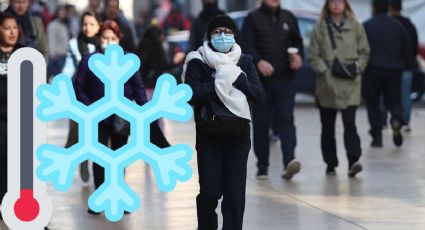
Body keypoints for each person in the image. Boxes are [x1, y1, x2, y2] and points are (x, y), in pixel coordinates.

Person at [183, 15, 265, 230]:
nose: (222, 35)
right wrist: (218, 83)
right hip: (209, 135)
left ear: (234, 35)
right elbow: (190, 94)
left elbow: (259, 95)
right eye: (217, 31)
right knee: (210, 193)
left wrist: (239, 80)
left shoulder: (244, 61)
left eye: (227, 32)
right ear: (209, 36)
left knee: (235, 194)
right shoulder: (197, 61)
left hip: (238, 136)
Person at [73, 20, 148, 215]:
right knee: (99, 157)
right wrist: (91, 109)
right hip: (97, 116)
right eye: (105, 38)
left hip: (121, 116)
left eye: (112, 38)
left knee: (119, 157)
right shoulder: (88, 59)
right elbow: (78, 87)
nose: (109, 42)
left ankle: (118, 197)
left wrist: (145, 110)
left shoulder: (128, 60)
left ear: (119, 39)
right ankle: (99, 198)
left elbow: (138, 87)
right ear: (99, 39)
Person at [241, 0, 304, 180]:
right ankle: (262, 166)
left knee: (286, 120)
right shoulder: (252, 18)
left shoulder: (289, 17)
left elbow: (298, 43)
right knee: (261, 125)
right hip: (260, 84)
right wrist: (258, 61)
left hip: (285, 80)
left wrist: (298, 58)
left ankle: (289, 161)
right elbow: (246, 46)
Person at [309, 0, 370, 177]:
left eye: (340, 1)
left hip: (351, 82)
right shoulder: (319, 27)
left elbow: (365, 52)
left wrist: (358, 68)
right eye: (332, 2)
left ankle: (353, 161)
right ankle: (330, 163)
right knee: (327, 126)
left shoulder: (356, 27)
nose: (336, 5)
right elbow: (313, 55)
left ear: (346, 5)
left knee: (350, 123)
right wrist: (325, 72)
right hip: (326, 84)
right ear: (327, 5)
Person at [363, 0, 413, 148]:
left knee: (373, 104)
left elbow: (361, 49)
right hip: (393, 71)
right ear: (388, 8)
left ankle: (377, 135)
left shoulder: (367, 26)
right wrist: (406, 66)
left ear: (373, 8)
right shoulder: (398, 26)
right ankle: (397, 120)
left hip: (373, 70)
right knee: (394, 101)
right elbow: (407, 50)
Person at [62, 10, 101, 183]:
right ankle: (81, 161)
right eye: (85, 24)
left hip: (100, 97)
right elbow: (68, 67)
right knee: (77, 133)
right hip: (78, 96)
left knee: (99, 135)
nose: (87, 28)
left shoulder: (104, 43)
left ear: (98, 26)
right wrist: (60, 82)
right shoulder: (74, 44)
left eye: (92, 24)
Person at [0, 12, 24, 220]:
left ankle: (23, 208)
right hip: (1, 119)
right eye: (7, 27)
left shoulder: (24, 54)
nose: (11, 32)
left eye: (14, 27)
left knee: (21, 165)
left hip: (21, 117)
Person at [389, 0, 419, 132]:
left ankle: (384, 120)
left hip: (388, 66)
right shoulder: (409, 24)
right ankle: (405, 121)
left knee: (385, 94)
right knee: (405, 94)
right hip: (406, 66)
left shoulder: (388, 24)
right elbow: (415, 46)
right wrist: (410, 61)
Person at [47, 5, 70, 78]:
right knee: (56, 76)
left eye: (64, 11)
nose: (62, 13)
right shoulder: (53, 25)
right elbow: (51, 39)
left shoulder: (65, 24)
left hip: (65, 54)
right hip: (57, 55)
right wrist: (52, 53)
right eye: (61, 11)